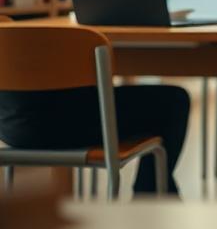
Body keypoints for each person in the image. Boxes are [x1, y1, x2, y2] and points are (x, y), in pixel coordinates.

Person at [0, 76, 189, 196]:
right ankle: (149, 196)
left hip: (12, 129)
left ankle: (153, 194)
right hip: (70, 126)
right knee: (174, 101)